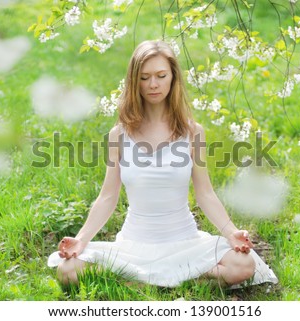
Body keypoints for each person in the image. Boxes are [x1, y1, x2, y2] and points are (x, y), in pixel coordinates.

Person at [48, 40, 278, 288]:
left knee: (242, 265)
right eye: (145, 77)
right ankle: (173, 282)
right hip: (135, 246)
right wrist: (81, 240)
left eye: (161, 75)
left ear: (173, 78)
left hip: (185, 243)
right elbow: (107, 197)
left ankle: (144, 284)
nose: (153, 84)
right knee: (68, 271)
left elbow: (205, 194)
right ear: (135, 81)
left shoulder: (193, 132)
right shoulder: (119, 135)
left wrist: (230, 232)